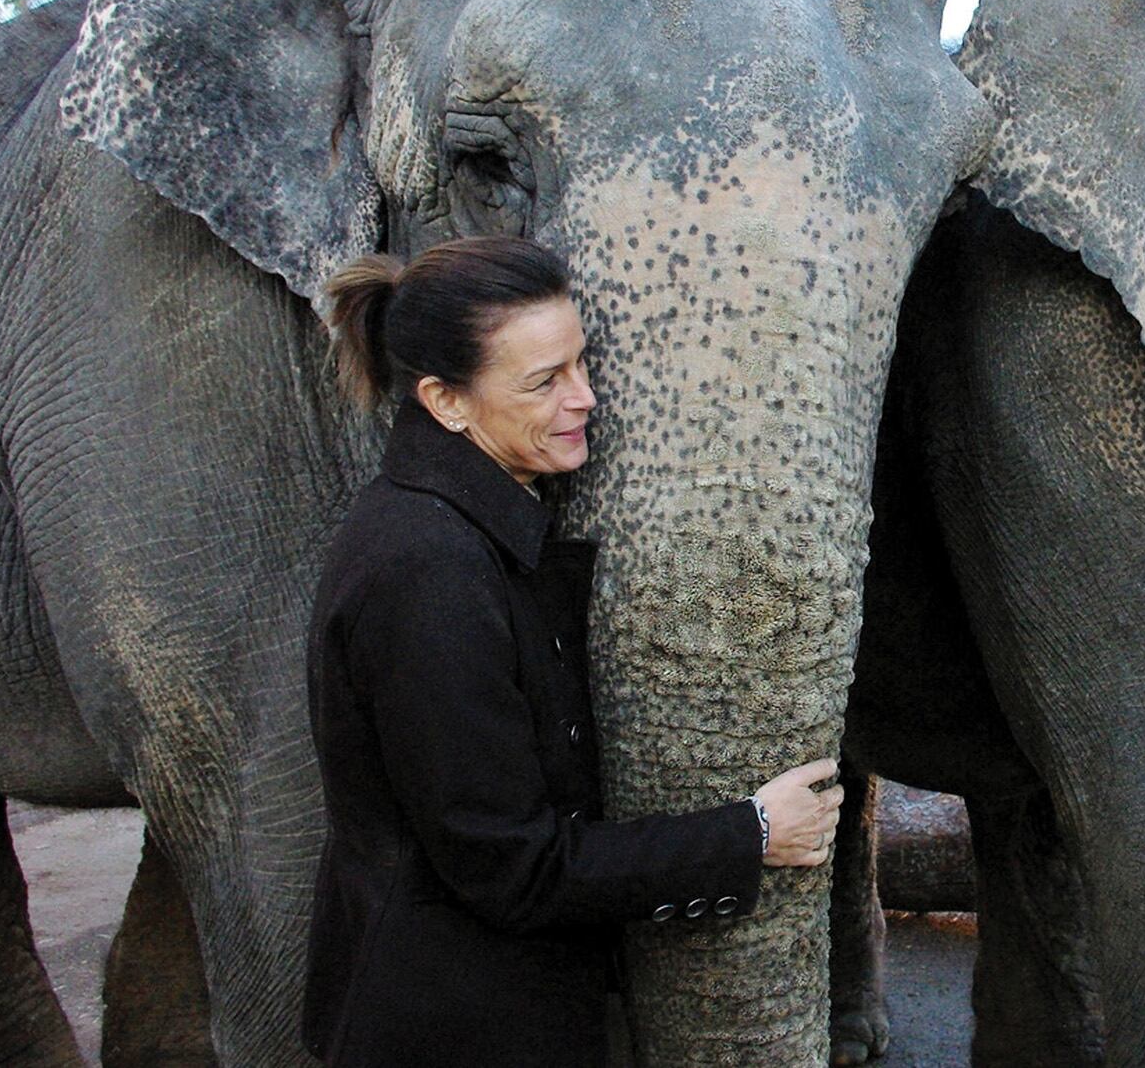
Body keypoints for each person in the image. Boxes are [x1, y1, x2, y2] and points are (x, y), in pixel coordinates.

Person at [303, 236, 842, 1066]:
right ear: (446, 402)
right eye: (543, 380)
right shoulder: (426, 574)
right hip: (446, 1026)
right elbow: (512, 865)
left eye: (581, 363)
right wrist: (751, 832)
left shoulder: (474, 524)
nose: (585, 396)